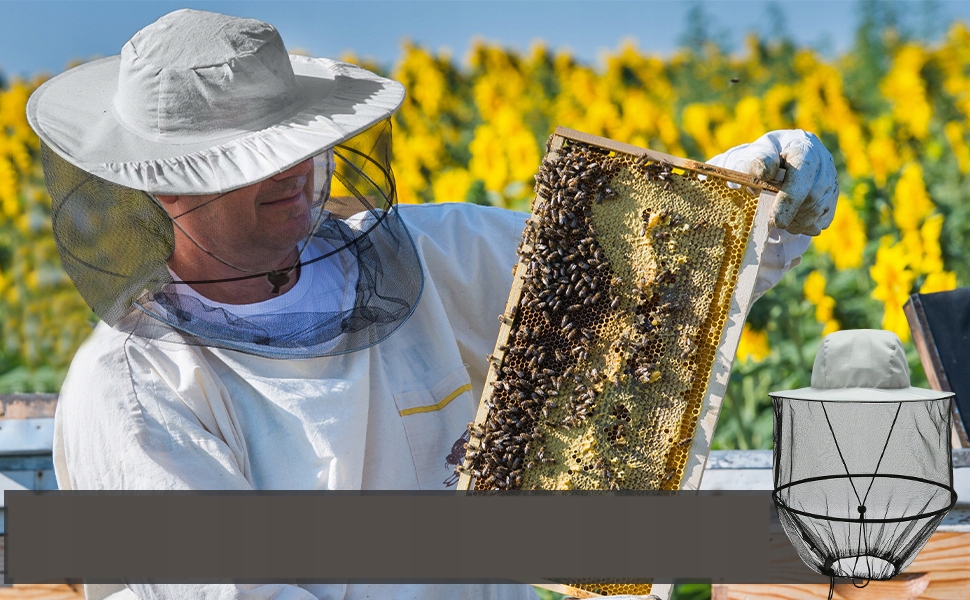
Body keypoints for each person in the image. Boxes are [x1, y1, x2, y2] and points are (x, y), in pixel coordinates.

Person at [26, 8, 839, 600]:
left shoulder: (424, 255)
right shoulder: (134, 394)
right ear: (160, 183)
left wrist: (750, 202)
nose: (294, 170)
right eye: (246, 157)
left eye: (295, 139)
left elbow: (633, 294)